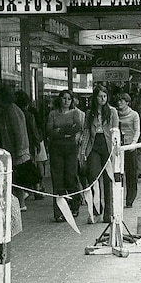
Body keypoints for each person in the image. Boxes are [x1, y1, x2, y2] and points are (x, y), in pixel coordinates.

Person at [79, 85, 119, 223]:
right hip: (94, 146)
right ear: (95, 97)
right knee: (93, 178)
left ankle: (109, 213)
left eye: (105, 96)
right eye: (100, 96)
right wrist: (82, 151)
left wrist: (115, 151)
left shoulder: (112, 112)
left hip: (107, 146)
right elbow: (85, 132)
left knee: (108, 180)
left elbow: (115, 132)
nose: (102, 99)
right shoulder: (89, 113)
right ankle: (95, 212)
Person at [46, 90, 85, 221]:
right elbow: (50, 131)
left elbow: (77, 127)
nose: (66, 101)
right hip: (56, 148)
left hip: (70, 148)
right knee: (57, 180)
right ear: (60, 99)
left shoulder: (75, 113)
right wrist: (65, 131)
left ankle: (75, 205)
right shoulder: (53, 113)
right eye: (63, 98)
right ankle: (59, 212)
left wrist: (60, 131)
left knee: (70, 176)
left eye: (69, 99)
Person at [0, 86, 32, 211]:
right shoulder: (14, 109)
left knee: (16, 177)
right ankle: (21, 200)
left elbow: (17, 131)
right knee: (16, 177)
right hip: (17, 149)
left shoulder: (10, 111)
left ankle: (21, 202)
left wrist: (19, 150)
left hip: (15, 150)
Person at [14, 90, 46, 199]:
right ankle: (37, 189)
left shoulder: (17, 114)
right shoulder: (29, 114)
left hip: (23, 143)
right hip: (30, 143)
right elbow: (34, 130)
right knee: (33, 165)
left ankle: (26, 191)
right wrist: (38, 143)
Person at [115, 92, 140, 207]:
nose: (119, 102)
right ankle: (117, 198)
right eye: (118, 100)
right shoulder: (114, 113)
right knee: (117, 173)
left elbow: (137, 130)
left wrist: (134, 143)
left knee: (130, 174)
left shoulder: (134, 115)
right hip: (117, 147)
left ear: (127, 102)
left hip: (129, 146)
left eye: (122, 100)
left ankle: (130, 199)